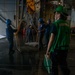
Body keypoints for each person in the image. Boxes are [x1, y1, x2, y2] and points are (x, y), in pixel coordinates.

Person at [46, 5, 70, 75]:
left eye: (56, 13)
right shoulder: (67, 25)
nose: (55, 15)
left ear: (59, 14)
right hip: (65, 49)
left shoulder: (55, 24)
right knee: (63, 66)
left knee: (54, 68)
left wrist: (48, 51)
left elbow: (51, 39)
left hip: (56, 50)